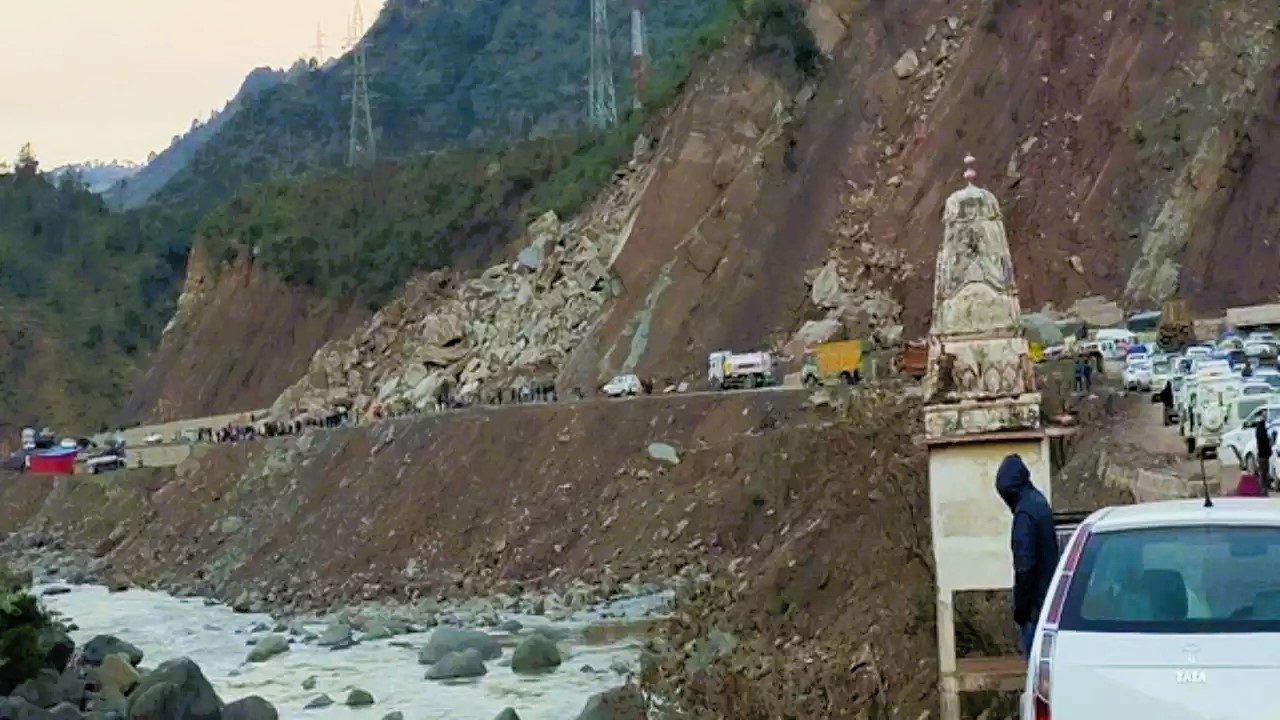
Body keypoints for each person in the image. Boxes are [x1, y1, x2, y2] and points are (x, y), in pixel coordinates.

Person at [995, 454, 1059, 657]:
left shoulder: (1024, 516)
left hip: (1035, 610)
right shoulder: (1038, 501)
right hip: (1047, 600)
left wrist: (1021, 612)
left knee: (1035, 668)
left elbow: (1025, 567)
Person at [1255, 410, 1273, 492]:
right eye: (1264, 415)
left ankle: (1264, 488)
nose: (1265, 417)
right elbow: (1262, 440)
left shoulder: (1263, 427)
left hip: (1264, 453)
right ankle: (1263, 488)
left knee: (1265, 471)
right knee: (1263, 472)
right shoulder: (1260, 427)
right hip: (1263, 454)